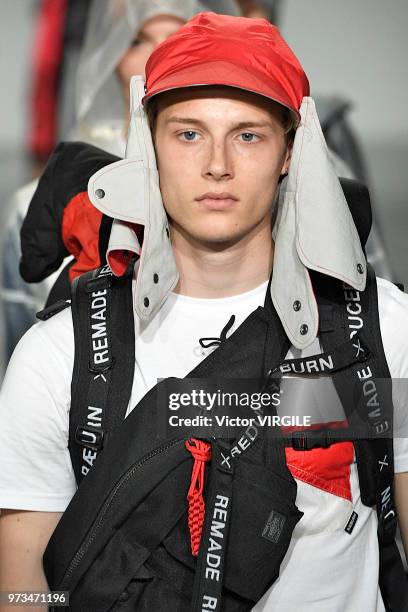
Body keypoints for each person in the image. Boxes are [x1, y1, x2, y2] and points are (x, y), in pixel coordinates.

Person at [1, 12, 408, 611]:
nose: (217, 164)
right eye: (188, 134)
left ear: (289, 151)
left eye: (248, 134)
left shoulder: (379, 329)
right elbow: (24, 589)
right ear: (149, 145)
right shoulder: (62, 354)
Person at [0, 0, 240, 379]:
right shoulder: (35, 202)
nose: (160, 54)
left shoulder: (254, 188)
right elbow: (19, 359)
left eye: (181, 35)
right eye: (136, 40)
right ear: (108, 55)